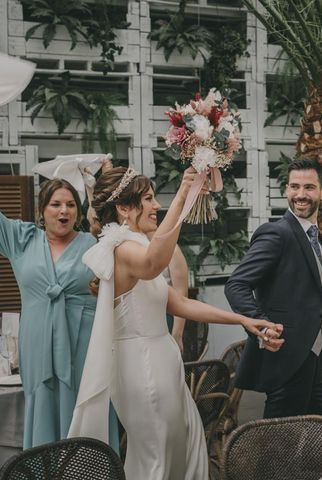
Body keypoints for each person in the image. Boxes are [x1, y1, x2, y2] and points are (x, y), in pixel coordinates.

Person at [68, 166, 283, 479]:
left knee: (182, 449)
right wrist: (184, 193)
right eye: (149, 199)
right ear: (124, 209)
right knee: (158, 457)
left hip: (163, 362)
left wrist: (243, 319)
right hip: (141, 368)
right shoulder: (120, 250)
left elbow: (180, 303)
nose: (156, 206)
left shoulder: (137, 244)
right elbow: (156, 263)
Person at [0, 178, 119, 449]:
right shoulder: (22, 240)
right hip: (37, 344)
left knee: (85, 404)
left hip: (85, 345)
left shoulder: (95, 245)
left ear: (78, 212)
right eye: (55, 204)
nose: (63, 211)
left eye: (70, 205)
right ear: (42, 210)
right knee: (42, 403)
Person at [225, 157, 322, 421]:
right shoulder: (276, 233)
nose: (300, 195)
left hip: (314, 360)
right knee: (280, 451)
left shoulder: (314, 237)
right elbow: (237, 285)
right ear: (286, 190)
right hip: (287, 359)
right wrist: (263, 324)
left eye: (309, 187)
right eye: (294, 186)